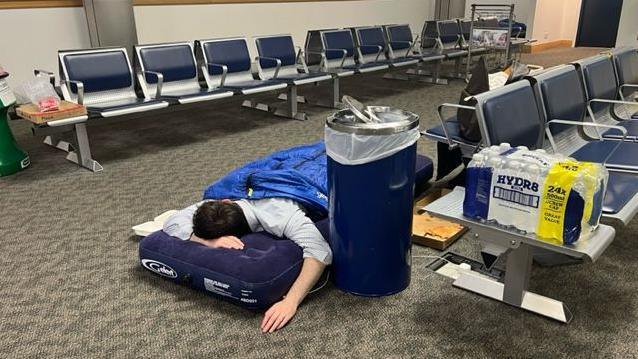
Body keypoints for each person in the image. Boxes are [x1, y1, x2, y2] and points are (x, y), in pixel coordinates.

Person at [162, 197, 332, 334]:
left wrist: (291, 302)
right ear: (226, 201)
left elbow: (320, 251)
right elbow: (173, 220)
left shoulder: (282, 216)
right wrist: (209, 241)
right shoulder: (221, 205)